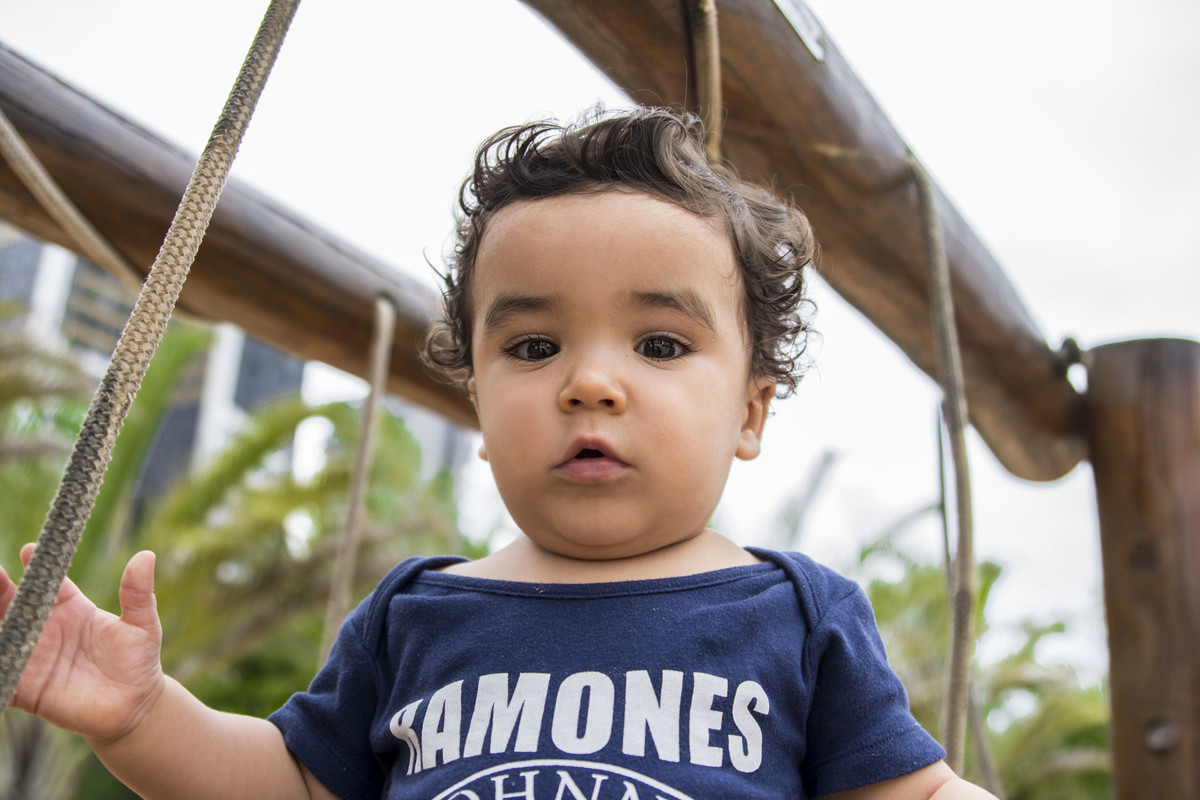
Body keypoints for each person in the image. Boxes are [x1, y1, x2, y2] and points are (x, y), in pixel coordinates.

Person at [0, 106, 997, 800]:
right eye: (532, 347)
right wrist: (140, 715)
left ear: (749, 409)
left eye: (659, 345)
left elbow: (911, 789)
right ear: (478, 403)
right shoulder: (415, 614)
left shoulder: (797, 615)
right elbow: (292, 784)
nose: (589, 382)